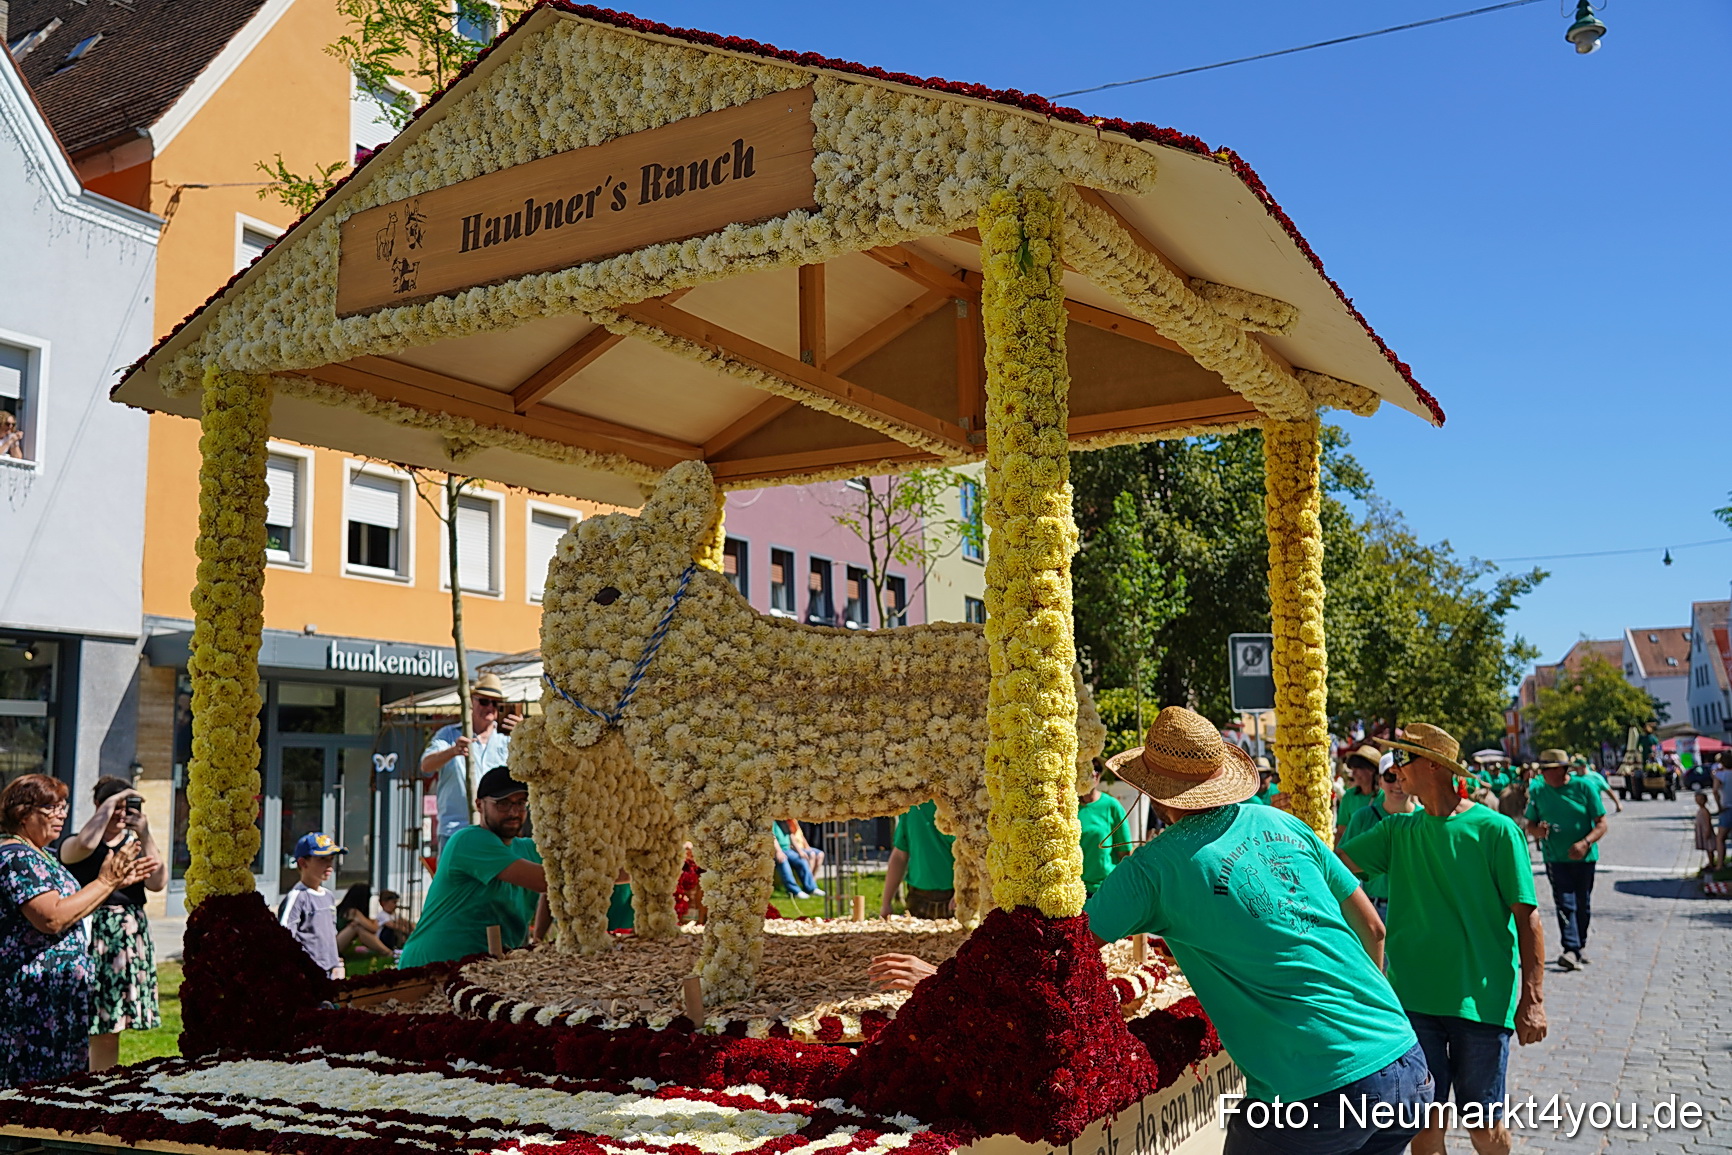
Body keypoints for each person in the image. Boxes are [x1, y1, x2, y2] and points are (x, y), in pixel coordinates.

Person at [870, 707, 1432, 1155]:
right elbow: (1373, 927)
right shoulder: (1285, 823)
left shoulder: (1157, 867)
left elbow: (1050, 955)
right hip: (1404, 1058)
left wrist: (946, 977)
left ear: (1158, 793)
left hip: (1314, 1087)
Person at [1339, 723, 1546, 1155]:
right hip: (1413, 1003)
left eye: (1403, 760)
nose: (1395, 770)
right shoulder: (1399, 831)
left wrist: (1533, 999)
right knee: (1423, 1126)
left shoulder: (1496, 830)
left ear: (1432, 766)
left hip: (1480, 1003)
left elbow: (1529, 921)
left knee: (1483, 1128)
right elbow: (1335, 865)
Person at [0, 775, 157, 1087]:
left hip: (58, 998)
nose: (62, 814)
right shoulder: (16, 856)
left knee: (60, 1094)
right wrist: (106, 882)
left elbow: (70, 904)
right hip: (32, 1002)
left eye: (63, 806)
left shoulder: (44, 854)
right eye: (51, 808)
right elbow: (52, 918)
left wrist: (115, 883)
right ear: (23, 813)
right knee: (28, 1098)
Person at [60, 776, 168, 1071]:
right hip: (90, 931)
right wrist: (107, 806)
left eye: (127, 806)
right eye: (115, 806)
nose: (121, 813)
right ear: (98, 805)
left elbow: (158, 882)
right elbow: (83, 843)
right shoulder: (79, 841)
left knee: (110, 1022)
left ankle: (100, 1082)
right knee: (83, 1018)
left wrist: (145, 834)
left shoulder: (134, 843)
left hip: (126, 935)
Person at [398, 765, 549, 966]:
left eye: (521, 803)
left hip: (484, 969)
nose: (514, 812)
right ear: (479, 805)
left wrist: (538, 938)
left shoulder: (529, 848)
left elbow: (557, 883)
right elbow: (548, 881)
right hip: (431, 968)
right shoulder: (470, 840)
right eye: (502, 803)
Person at [1521, 750, 1607, 971]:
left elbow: (1601, 823)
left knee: (1583, 904)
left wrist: (1585, 843)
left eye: (1548, 770)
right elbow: (1530, 825)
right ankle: (1569, 948)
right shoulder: (1539, 791)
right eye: (1543, 770)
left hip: (1585, 857)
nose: (1544, 775)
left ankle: (1580, 945)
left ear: (1561, 769)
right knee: (1565, 903)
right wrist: (1538, 831)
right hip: (1555, 857)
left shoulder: (1584, 787)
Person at [419, 673, 522, 848]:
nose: (490, 707)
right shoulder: (449, 735)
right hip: (455, 830)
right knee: (453, 876)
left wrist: (526, 736)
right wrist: (452, 751)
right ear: (471, 702)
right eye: (484, 701)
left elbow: (530, 775)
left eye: (495, 703)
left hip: (495, 832)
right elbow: (426, 765)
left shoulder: (507, 741)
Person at [1339, 760, 1422, 924]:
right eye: (1391, 777)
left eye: (1404, 776)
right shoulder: (1362, 817)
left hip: (1415, 910)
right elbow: (1342, 867)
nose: (1398, 783)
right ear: (1380, 781)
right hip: (1374, 909)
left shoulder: (1425, 819)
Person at [278, 833, 345, 979]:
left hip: (332, 972)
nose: (329, 865)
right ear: (303, 863)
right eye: (322, 859)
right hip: (308, 975)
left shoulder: (329, 896)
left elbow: (330, 935)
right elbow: (284, 938)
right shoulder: (297, 897)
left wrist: (336, 963)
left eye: (331, 859)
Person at [879, 800, 954, 919]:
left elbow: (973, 856)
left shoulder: (958, 805)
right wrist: (886, 903)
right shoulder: (911, 807)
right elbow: (899, 855)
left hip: (954, 899)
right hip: (917, 899)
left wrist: (965, 892)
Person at [1077, 758, 1130, 896]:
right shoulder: (1068, 807)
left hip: (1104, 889)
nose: (1094, 774)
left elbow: (1125, 854)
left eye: (1097, 769)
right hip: (1073, 890)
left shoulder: (1112, 806)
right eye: (1087, 770)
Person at [334, 883, 393, 960]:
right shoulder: (353, 912)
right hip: (334, 946)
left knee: (358, 926)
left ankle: (387, 952)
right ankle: (387, 952)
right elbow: (374, 929)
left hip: (335, 942)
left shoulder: (344, 909)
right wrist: (375, 921)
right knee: (357, 927)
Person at [1336, 744, 1381, 833]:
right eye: (1352, 768)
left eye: (1358, 768)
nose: (1353, 773)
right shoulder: (1349, 796)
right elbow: (1341, 832)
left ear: (1371, 770)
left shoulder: (1386, 797)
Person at [772, 820, 822, 899]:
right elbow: (772, 837)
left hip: (788, 850)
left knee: (801, 861)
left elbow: (791, 836)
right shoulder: (771, 822)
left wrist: (800, 852)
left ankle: (811, 888)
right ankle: (794, 891)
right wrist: (778, 852)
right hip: (776, 851)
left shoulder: (783, 821)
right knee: (783, 861)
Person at [1693, 792, 1720, 873]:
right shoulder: (1700, 810)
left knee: (1710, 848)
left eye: (1700, 799)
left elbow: (1708, 822)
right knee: (1707, 848)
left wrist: (1707, 831)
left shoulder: (1705, 811)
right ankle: (1710, 862)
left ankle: (1712, 863)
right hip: (1702, 831)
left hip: (1706, 831)